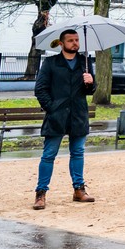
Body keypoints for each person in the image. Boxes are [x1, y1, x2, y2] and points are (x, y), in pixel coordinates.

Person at [33, 29, 96, 209]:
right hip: (57, 116)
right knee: (49, 155)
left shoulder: (84, 63)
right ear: (61, 44)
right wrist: (51, 107)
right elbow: (40, 89)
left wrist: (90, 82)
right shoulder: (51, 63)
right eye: (70, 40)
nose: (75, 43)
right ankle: (40, 193)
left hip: (78, 115)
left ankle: (79, 190)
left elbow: (90, 91)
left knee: (78, 153)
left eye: (77, 40)